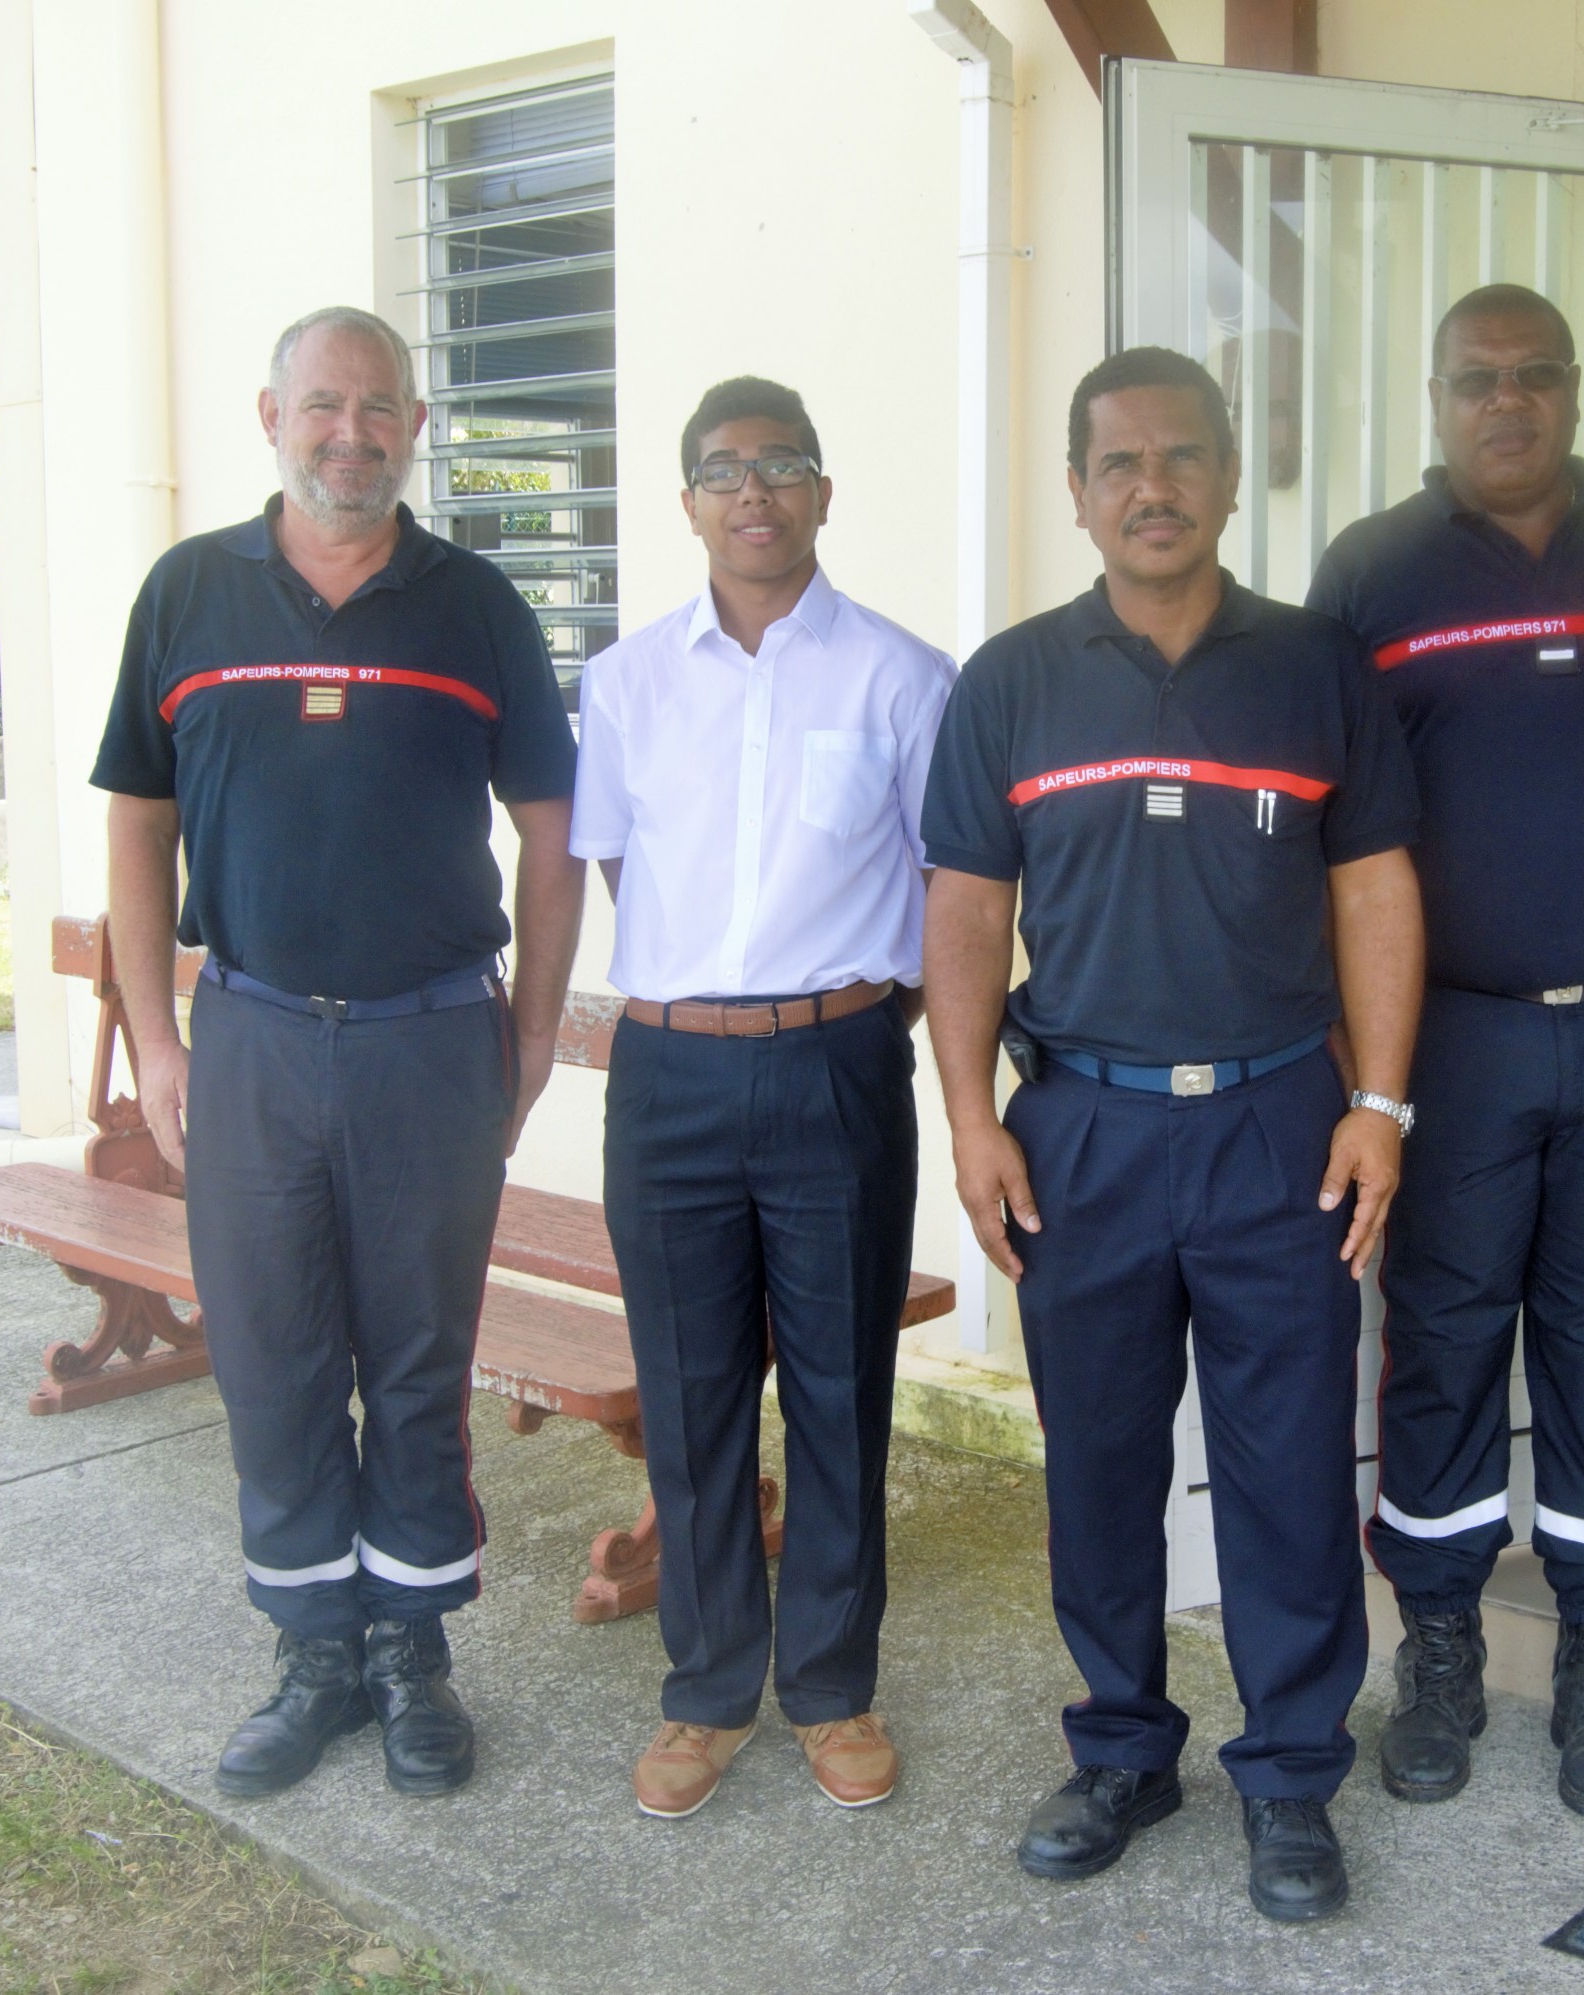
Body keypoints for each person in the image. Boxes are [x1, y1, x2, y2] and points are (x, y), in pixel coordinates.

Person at [922, 346, 1425, 1925]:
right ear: (1078, 494)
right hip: (1078, 1135)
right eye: (1120, 463)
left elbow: (1375, 890)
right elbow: (963, 908)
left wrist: (1381, 1104)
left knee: (1285, 1471)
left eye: (1183, 457)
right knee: (1102, 1468)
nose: (1154, 487)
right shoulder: (1008, 680)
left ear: (1227, 476)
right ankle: (1125, 1750)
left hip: (1281, 1125)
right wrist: (968, 1124)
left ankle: (1289, 1775)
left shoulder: (1317, 665)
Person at [94, 305, 585, 1798]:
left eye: (378, 409)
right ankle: (314, 1651)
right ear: (270, 416)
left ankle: (412, 1654)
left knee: (421, 1361)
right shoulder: (187, 595)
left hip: (431, 1046)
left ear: (415, 428)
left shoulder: (477, 606)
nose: (349, 434)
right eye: (322, 407)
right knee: (273, 1355)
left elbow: (554, 836)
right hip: (245, 1042)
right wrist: (156, 1042)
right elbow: (136, 820)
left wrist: (534, 1031)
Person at [1305, 282, 1584, 1820]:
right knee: (1438, 1342)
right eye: (1476, 379)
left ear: (1576, 392)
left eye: (1538, 375)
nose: (1509, 401)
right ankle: (1436, 1648)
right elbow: (1329, 833)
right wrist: (1352, 1052)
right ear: (1435, 401)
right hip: (1453, 1044)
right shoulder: (1368, 572)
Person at [572, 377, 954, 1820]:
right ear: (687, 506)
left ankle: (835, 1687)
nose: (755, 492)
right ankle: (709, 1688)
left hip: (837, 1068)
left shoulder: (907, 678)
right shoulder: (623, 684)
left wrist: (837, 1018)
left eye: (783, 465)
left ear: (823, 493)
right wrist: (707, 1003)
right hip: (667, 1070)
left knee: (844, 1391)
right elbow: (618, 866)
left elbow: (941, 892)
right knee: (691, 1393)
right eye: (725, 472)